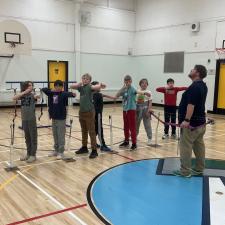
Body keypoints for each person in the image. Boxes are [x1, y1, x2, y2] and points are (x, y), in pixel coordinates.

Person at [173, 65, 208, 178]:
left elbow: (191, 105)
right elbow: (200, 103)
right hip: (200, 124)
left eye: (192, 69)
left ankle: (185, 172)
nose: (191, 70)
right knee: (199, 146)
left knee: (185, 147)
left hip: (191, 125)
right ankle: (199, 168)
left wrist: (187, 120)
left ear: (197, 73)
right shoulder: (203, 86)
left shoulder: (194, 87)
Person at [70, 73, 106, 159]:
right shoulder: (81, 87)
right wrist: (79, 84)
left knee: (91, 131)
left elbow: (95, 87)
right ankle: (84, 147)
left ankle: (94, 150)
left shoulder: (90, 87)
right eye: (83, 78)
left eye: (87, 79)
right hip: (81, 112)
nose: (85, 80)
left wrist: (100, 85)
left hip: (89, 112)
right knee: (84, 130)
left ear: (90, 80)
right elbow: (72, 86)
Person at [114, 75, 150, 150]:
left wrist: (144, 93)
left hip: (131, 110)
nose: (127, 82)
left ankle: (134, 143)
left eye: (129, 81)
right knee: (125, 127)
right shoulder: (124, 89)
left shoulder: (132, 88)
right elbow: (117, 95)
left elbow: (138, 92)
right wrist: (122, 88)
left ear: (131, 81)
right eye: (126, 81)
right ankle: (126, 141)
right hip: (125, 110)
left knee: (132, 127)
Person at [42, 80, 76, 160]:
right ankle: (56, 150)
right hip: (54, 117)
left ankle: (61, 152)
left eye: (60, 87)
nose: (58, 88)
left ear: (62, 87)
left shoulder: (63, 93)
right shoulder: (51, 93)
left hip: (61, 118)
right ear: (54, 87)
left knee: (61, 135)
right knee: (55, 135)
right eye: (56, 86)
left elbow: (72, 94)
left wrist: (73, 94)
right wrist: (51, 90)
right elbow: (44, 89)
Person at [13, 81, 39, 163]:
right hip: (24, 119)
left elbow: (37, 97)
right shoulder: (22, 94)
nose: (31, 87)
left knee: (33, 137)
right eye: (29, 86)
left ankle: (33, 155)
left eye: (31, 86)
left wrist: (35, 96)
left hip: (31, 119)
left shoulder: (33, 94)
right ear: (25, 87)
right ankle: (28, 154)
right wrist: (24, 92)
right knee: (27, 138)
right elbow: (14, 98)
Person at [91, 81, 115, 152]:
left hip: (95, 115)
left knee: (95, 130)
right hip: (97, 114)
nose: (99, 86)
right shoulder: (97, 95)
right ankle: (103, 145)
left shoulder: (95, 94)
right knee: (99, 129)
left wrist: (113, 97)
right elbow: (94, 105)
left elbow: (104, 95)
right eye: (98, 85)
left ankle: (94, 143)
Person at [136, 78, 153, 145]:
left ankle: (150, 138)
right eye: (143, 83)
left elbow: (150, 101)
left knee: (147, 124)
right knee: (136, 124)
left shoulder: (149, 92)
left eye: (146, 83)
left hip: (146, 109)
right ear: (140, 84)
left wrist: (149, 110)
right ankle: (135, 137)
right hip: (138, 109)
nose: (144, 84)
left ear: (147, 84)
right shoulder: (137, 91)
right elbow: (135, 101)